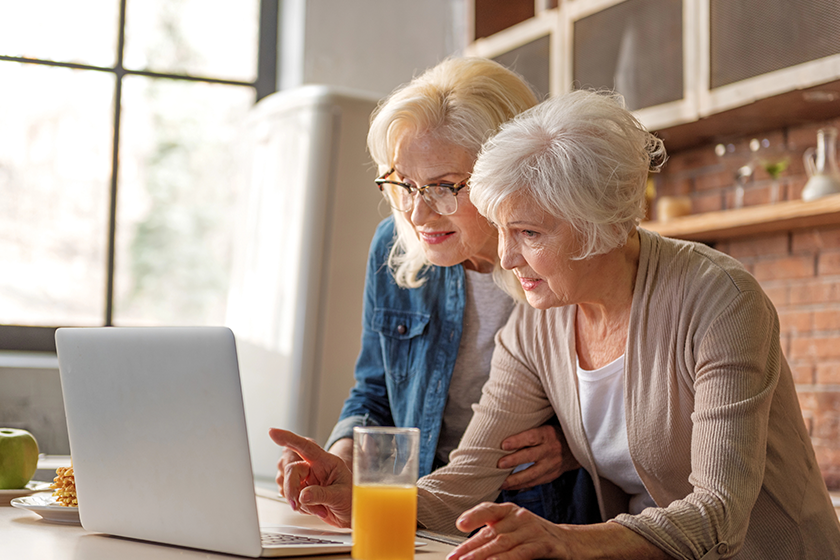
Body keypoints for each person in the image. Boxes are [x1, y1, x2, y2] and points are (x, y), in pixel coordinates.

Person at [271, 89, 840, 559]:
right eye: (501, 231)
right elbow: (465, 480)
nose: (508, 259)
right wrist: (359, 497)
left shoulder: (718, 298)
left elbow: (719, 511)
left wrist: (564, 540)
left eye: (531, 234)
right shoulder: (534, 326)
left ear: (603, 226)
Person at [273, 57, 599, 526]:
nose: (418, 215)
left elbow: (628, 405)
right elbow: (374, 392)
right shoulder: (394, 244)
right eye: (405, 184)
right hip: (413, 497)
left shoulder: (563, 257)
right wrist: (340, 459)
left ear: (510, 174)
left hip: (534, 510)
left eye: (445, 187)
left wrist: (574, 448)